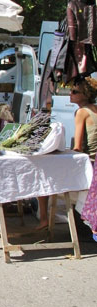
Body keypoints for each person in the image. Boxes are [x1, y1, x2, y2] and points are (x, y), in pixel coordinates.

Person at [38, 78, 97, 232]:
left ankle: (44, 220)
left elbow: (77, 146)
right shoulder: (94, 109)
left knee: (44, 179)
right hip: (93, 162)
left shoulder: (81, 112)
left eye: (74, 92)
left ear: (85, 94)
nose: (70, 94)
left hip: (89, 164)